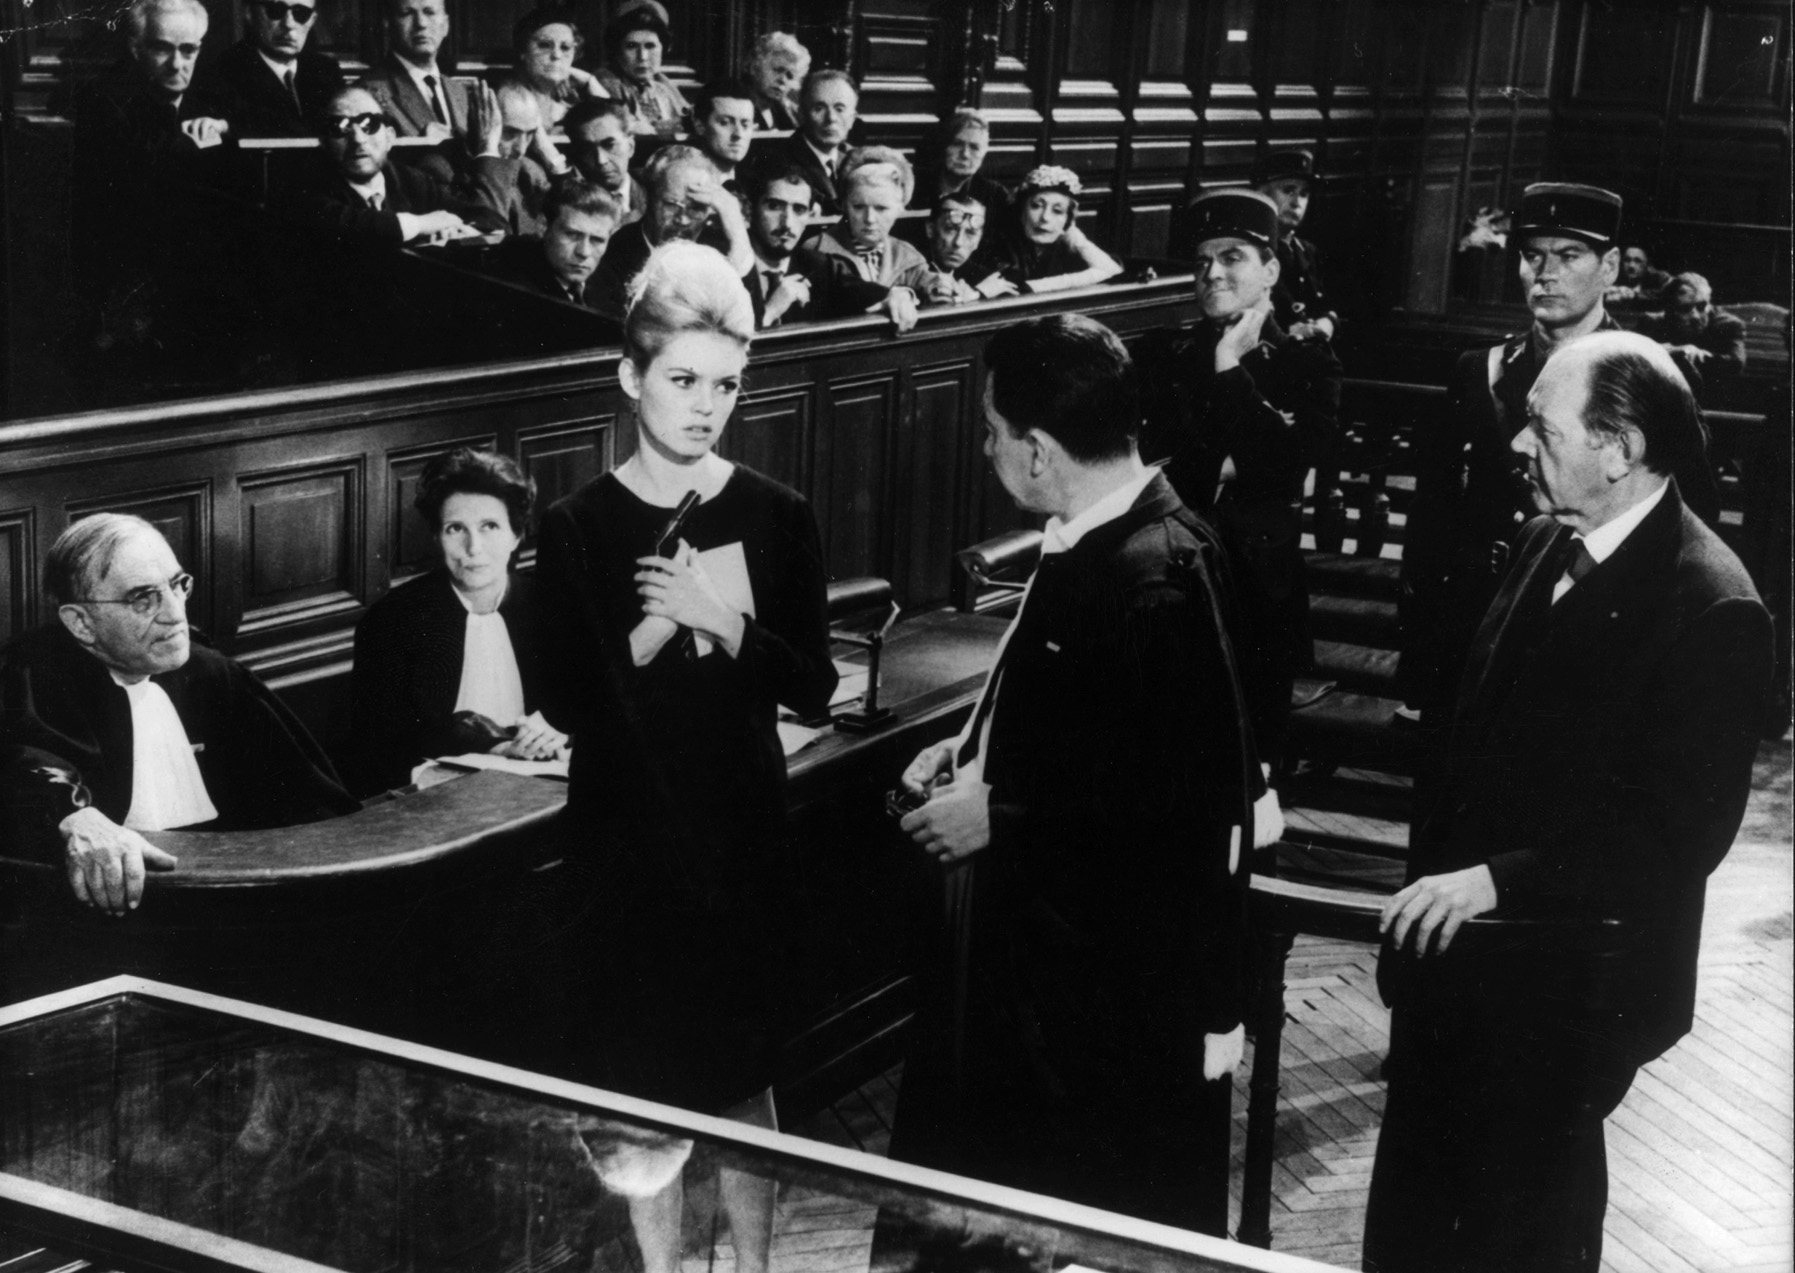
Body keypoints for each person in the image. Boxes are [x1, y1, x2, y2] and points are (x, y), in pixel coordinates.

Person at [1363, 331, 1773, 1273]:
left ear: (1618, 448)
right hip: (1453, 968)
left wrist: (1497, 880)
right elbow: (1468, 750)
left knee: (1519, 1240)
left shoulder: (1713, 604)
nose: (1517, 444)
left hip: (1564, 994)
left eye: (1540, 428)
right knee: (1408, 1238)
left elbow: (1672, 837)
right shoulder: (1543, 539)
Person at [888, 313, 1259, 1235]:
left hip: (1099, 1000)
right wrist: (976, 747)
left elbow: (1184, 807)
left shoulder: (1155, 573)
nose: (987, 449)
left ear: (1039, 451)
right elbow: (1092, 731)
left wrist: (1001, 812)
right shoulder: (1097, 537)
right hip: (1044, 961)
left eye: (992, 430)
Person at [535, 240, 836, 1273]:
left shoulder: (776, 511)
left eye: (725, 384)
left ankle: (754, 1269)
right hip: (624, 842)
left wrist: (723, 620)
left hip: (738, 832)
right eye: (682, 381)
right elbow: (568, 702)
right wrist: (655, 629)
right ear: (629, 377)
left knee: (744, 1077)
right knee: (639, 1088)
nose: (706, 407)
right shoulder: (575, 524)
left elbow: (814, 684)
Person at [1396, 182, 1721, 726]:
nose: (1544, 273)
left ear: (1609, 267)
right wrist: (1422, 654)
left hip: (1590, 624)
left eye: (1568, 256)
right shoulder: (1479, 370)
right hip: (1476, 621)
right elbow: (1433, 517)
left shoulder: (1651, 375)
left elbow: (1694, 514)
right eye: (1532, 256)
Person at [0, 515, 358, 913]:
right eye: (142, 598)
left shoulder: (212, 674)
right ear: (81, 623)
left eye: (177, 585)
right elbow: (22, 767)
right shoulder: (32, 678)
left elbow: (311, 802)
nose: (175, 614)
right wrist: (75, 817)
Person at [1140, 189, 1342, 778]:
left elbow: (1286, 466)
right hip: (1166, 581)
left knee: (1251, 772)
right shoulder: (1166, 354)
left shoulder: (1310, 363)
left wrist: (1231, 366)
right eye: (1202, 261)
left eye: (1232, 257)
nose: (1212, 273)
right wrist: (1230, 462)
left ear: (1271, 270)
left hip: (1258, 591)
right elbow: (1152, 470)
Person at [348, 449, 567, 797]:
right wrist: (494, 748)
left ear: (516, 535)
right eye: (455, 529)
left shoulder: (553, 605)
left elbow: (587, 702)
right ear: (437, 536)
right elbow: (382, 744)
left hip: (546, 787)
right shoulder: (393, 619)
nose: (473, 547)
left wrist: (557, 729)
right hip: (434, 797)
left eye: (490, 526)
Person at [71, 0, 234, 302]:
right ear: (136, 49)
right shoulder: (104, 100)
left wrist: (223, 126)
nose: (176, 64)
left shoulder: (212, 100)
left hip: (206, 275)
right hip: (133, 278)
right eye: (162, 49)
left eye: (188, 50)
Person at [293, 85, 506, 249]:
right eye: (340, 127)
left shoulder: (410, 179)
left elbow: (490, 219)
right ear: (325, 142)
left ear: (389, 138)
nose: (358, 139)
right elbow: (354, 226)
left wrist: (464, 231)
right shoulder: (306, 188)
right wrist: (423, 224)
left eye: (369, 124)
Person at [588, 145, 753, 319]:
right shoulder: (617, 251)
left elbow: (750, 320)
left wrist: (737, 230)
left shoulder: (721, 248)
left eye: (696, 208)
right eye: (671, 205)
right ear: (648, 198)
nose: (683, 219)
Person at [740, 164, 903, 329]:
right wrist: (770, 312)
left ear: (809, 215)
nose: (787, 223)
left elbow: (867, 292)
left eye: (799, 209)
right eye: (774, 206)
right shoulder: (731, 268)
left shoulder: (822, 266)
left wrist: (900, 295)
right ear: (748, 209)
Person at [806, 147, 938, 327]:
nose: (869, 219)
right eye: (859, 207)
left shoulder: (909, 257)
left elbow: (933, 286)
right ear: (844, 205)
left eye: (881, 208)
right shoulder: (815, 249)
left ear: (900, 208)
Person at [211, 0, 346, 138]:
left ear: (312, 20)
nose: (288, 24)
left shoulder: (326, 70)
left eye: (301, 13)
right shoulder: (224, 71)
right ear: (250, 13)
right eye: (276, 10)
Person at [984, 165, 1124, 293]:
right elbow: (1014, 286)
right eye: (1036, 206)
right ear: (1021, 210)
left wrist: (1073, 236)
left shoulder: (1064, 246)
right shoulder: (1001, 246)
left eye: (1057, 211)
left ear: (1068, 219)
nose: (1045, 217)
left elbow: (1112, 269)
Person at [488, 179, 621, 308]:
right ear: (543, 226)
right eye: (572, 235)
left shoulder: (610, 285)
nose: (584, 252)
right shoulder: (511, 290)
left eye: (597, 240)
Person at [501, 6, 607, 167]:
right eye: (544, 45)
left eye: (565, 48)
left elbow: (614, 125)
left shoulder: (566, 105)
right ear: (523, 51)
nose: (557, 55)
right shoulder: (510, 99)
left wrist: (589, 81)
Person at [1254, 149, 1338, 342]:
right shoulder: (1253, 254)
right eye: (1288, 191)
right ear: (1262, 193)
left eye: (1304, 194)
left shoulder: (1307, 251)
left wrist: (1328, 322)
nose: (1297, 202)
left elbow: (1327, 304)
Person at [749, 69, 858, 216]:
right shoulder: (777, 161)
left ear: (852, 118)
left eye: (839, 109)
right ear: (801, 113)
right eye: (819, 108)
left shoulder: (857, 160)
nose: (831, 118)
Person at [359, 0, 467, 144]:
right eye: (407, 13)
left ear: (445, 25)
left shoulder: (459, 92)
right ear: (388, 24)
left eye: (430, 12)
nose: (421, 23)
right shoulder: (369, 92)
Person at [592, 3, 690, 138]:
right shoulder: (605, 82)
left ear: (663, 48)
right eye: (631, 46)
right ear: (617, 51)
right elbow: (626, 127)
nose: (642, 57)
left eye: (650, 46)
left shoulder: (664, 85)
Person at [1641, 271, 1748, 382]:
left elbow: (1736, 364)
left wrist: (1697, 355)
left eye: (1701, 306)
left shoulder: (1728, 325)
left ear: (1709, 303)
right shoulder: (1654, 323)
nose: (1695, 316)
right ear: (1671, 310)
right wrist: (1666, 350)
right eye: (1685, 309)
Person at [906, 109, 1010, 220]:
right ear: (944, 147)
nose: (965, 154)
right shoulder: (912, 186)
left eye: (974, 147)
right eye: (957, 144)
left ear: (984, 153)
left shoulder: (995, 196)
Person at [563, 97, 647, 227]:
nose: (601, 160)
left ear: (630, 147)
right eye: (587, 149)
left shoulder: (655, 193)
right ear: (576, 155)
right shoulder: (566, 206)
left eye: (609, 145)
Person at [917, 191, 1012, 303]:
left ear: (979, 240)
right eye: (950, 229)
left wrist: (975, 294)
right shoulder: (910, 270)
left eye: (970, 233)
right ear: (930, 229)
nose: (958, 242)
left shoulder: (978, 274)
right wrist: (976, 294)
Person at [690, 78, 757, 190]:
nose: (738, 134)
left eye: (745, 125)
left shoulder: (753, 186)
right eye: (725, 123)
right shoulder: (689, 185)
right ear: (700, 126)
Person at [744, 31, 809, 131]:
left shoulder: (786, 114)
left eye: (790, 76)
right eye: (778, 70)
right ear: (754, 68)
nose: (783, 80)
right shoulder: (738, 108)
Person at [1605, 242, 1674, 309]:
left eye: (1637, 261)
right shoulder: (1613, 277)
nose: (1631, 266)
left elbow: (1669, 294)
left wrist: (1635, 295)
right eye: (1627, 260)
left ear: (1648, 264)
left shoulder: (1660, 278)